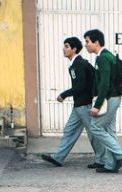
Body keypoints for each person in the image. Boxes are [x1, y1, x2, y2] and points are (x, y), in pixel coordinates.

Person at [41, 37, 97, 167]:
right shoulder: (75, 64)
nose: (64, 49)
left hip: (84, 105)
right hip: (79, 105)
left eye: (66, 46)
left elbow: (81, 86)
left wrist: (64, 94)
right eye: (64, 46)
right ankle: (58, 158)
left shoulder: (79, 64)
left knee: (93, 133)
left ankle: (105, 158)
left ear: (74, 49)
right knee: (70, 131)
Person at [83, 29, 122, 173]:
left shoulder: (102, 58)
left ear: (96, 42)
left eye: (87, 41)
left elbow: (104, 84)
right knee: (109, 130)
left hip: (109, 99)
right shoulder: (108, 55)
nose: (86, 45)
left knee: (95, 127)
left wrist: (97, 106)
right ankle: (110, 164)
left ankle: (120, 153)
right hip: (113, 98)